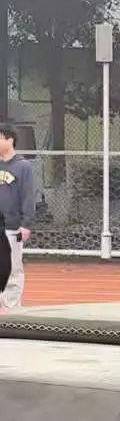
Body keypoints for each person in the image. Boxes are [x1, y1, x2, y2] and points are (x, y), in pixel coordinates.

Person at [0, 123, 35, 311]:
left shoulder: (23, 166)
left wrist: (26, 224)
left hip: (12, 227)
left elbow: (28, 196)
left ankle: (12, 309)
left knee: (13, 269)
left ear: (10, 139)